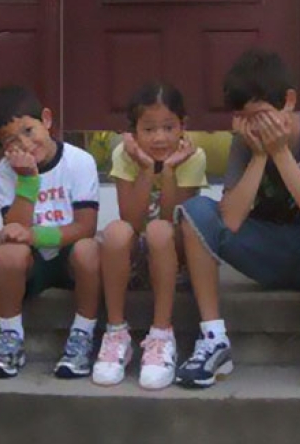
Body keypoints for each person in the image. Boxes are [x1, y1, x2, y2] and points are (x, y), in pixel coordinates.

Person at [174, 49, 300, 394]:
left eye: (261, 115)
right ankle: (214, 338)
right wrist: (260, 154)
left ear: (288, 101)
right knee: (198, 210)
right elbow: (229, 220)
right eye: (243, 118)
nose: (253, 126)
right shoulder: (245, 141)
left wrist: (279, 152)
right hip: (262, 253)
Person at [92, 82, 207, 390]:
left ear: (183, 126)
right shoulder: (124, 155)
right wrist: (145, 168)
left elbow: (174, 219)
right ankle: (116, 332)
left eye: (169, 127)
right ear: (133, 132)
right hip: (136, 255)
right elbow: (130, 218)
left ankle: (161, 333)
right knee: (115, 231)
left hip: (174, 254)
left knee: (159, 228)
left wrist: (168, 171)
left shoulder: (193, 157)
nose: (159, 138)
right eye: (149, 129)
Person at [0, 84, 100, 380]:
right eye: (11, 141)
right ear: (2, 148)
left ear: (46, 120)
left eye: (28, 131)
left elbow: (86, 227)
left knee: (89, 249)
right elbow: (14, 231)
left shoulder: (79, 161)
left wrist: (36, 236)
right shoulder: (6, 172)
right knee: (9, 252)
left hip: (71, 259)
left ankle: (82, 335)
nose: (24, 144)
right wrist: (27, 182)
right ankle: (10, 337)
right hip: (33, 264)